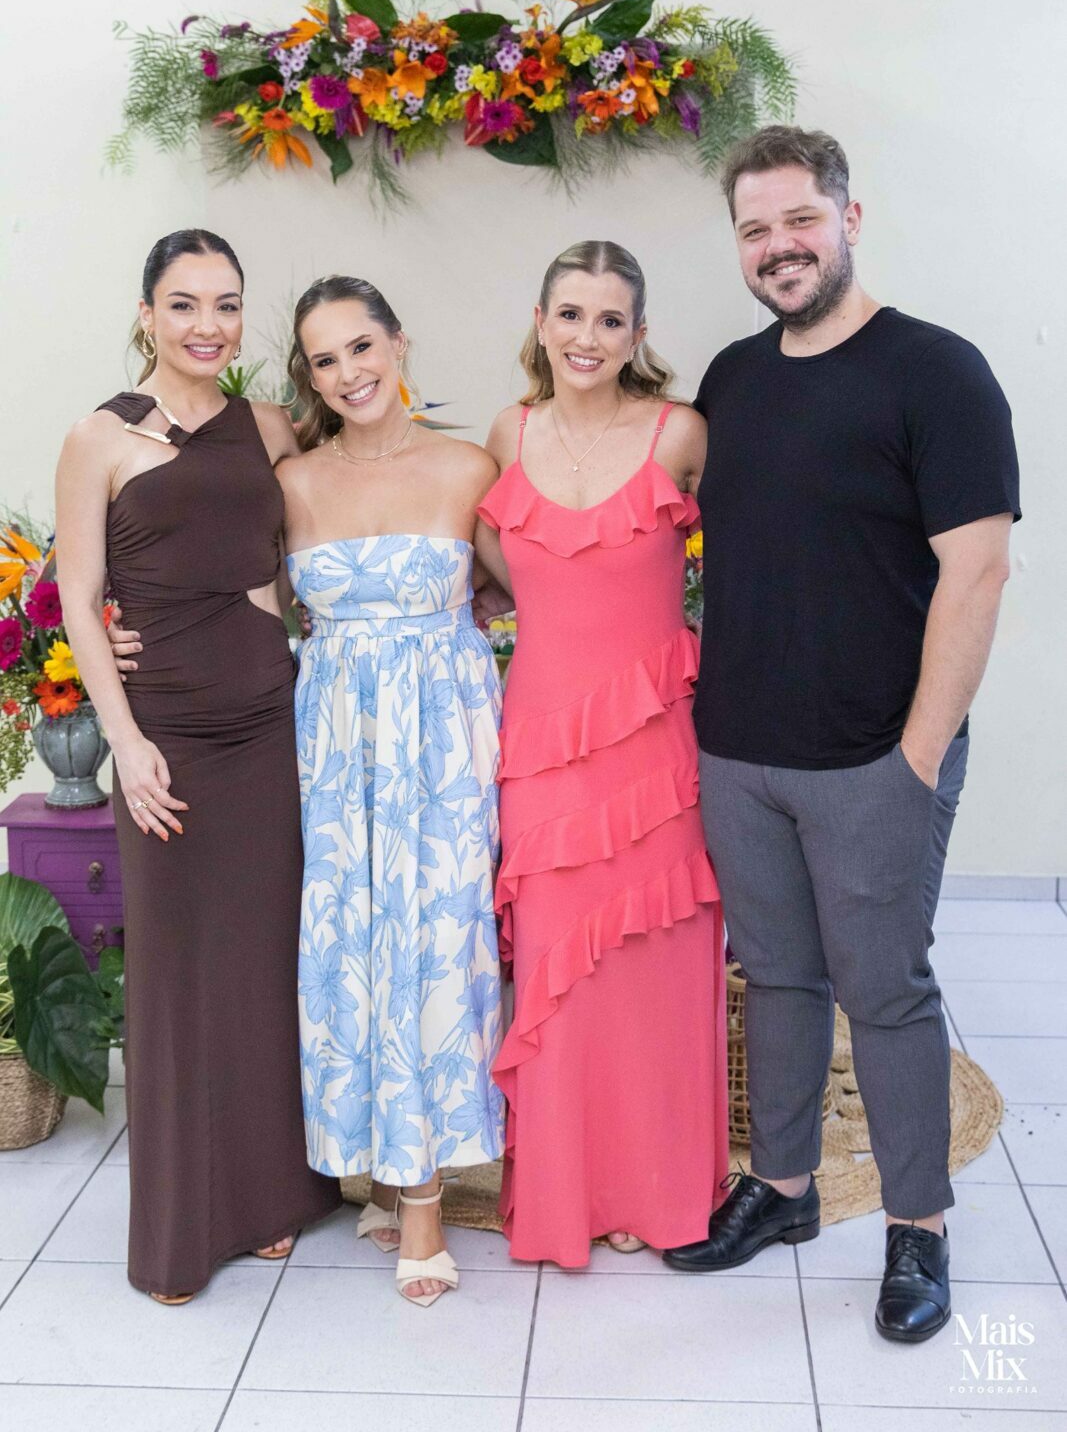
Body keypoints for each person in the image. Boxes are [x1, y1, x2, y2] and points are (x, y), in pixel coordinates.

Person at [662, 128, 1020, 1345]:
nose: (778, 246)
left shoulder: (936, 371)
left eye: (798, 220)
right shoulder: (730, 378)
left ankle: (916, 1224)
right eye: (754, 229)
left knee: (883, 988)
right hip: (739, 748)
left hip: (875, 751)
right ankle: (781, 1188)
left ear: (848, 218)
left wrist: (915, 756)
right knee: (774, 976)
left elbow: (976, 573)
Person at [55, 230, 339, 1303]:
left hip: (269, 725)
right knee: (177, 980)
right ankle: (182, 1230)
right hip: (164, 736)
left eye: (225, 304)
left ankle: (270, 1198)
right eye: (184, 304)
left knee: (264, 964)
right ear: (147, 315)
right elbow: (80, 601)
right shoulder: (98, 437)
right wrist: (125, 742)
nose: (207, 325)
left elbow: (288, 570)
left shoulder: (266, 426)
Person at [476, 240, 729, 1267]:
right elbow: (489, 563)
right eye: (570, 314)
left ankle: (652, 1189)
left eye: (609, 319)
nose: (587, 337)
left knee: (653, 968)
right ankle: (565, 1193)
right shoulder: (507, 431)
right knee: (557, 971)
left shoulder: (681, 434)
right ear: (539, 324)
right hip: (540, 746)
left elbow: (764, 553)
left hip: (657, 749)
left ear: (638, 336)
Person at [277, 276, 505, 1307]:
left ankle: (423, 1201)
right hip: (334, 745)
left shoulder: (466, 468)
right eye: (324, 360)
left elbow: (535, 590)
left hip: (442, 745)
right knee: (351, 948)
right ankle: (375, 1165)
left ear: (398, 342)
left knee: (434, 944)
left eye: (361, 346)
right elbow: (245, 604)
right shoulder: (292, 480)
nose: (348, 373)